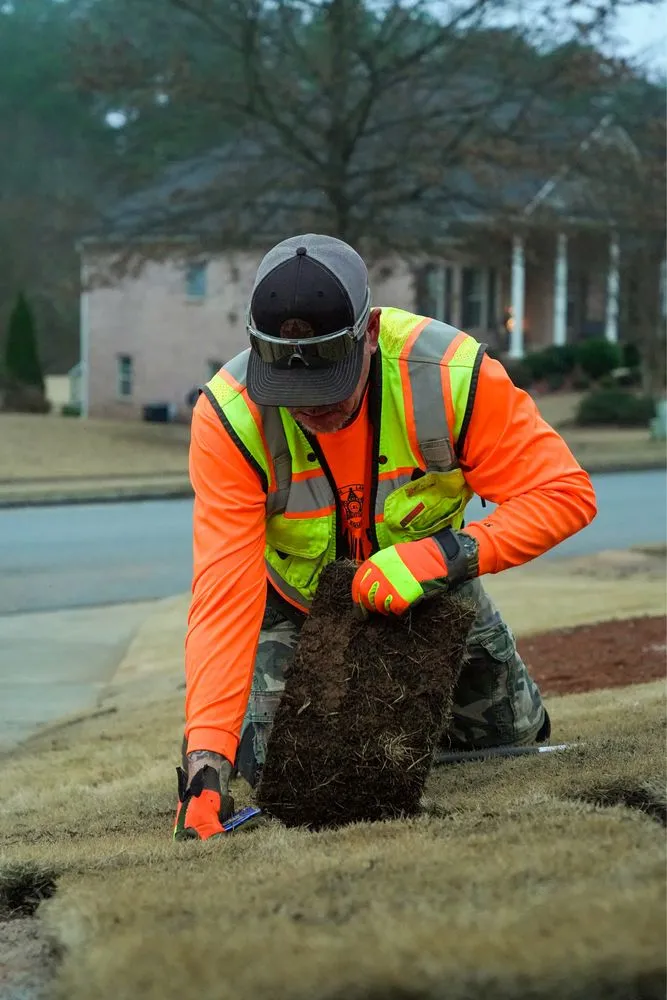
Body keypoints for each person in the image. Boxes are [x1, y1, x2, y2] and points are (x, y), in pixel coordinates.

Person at [173, 234, 597, 840]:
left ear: (369, 332)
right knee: (282, 780)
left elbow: (564, 493)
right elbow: (224, 594)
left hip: (432, 589)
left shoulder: (452, 377)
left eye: (329, 384)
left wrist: (445, 555)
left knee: (512, 749)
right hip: (294, 604)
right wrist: (205, 759)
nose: (310, 408)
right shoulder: (229, 417)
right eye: (290, 391)